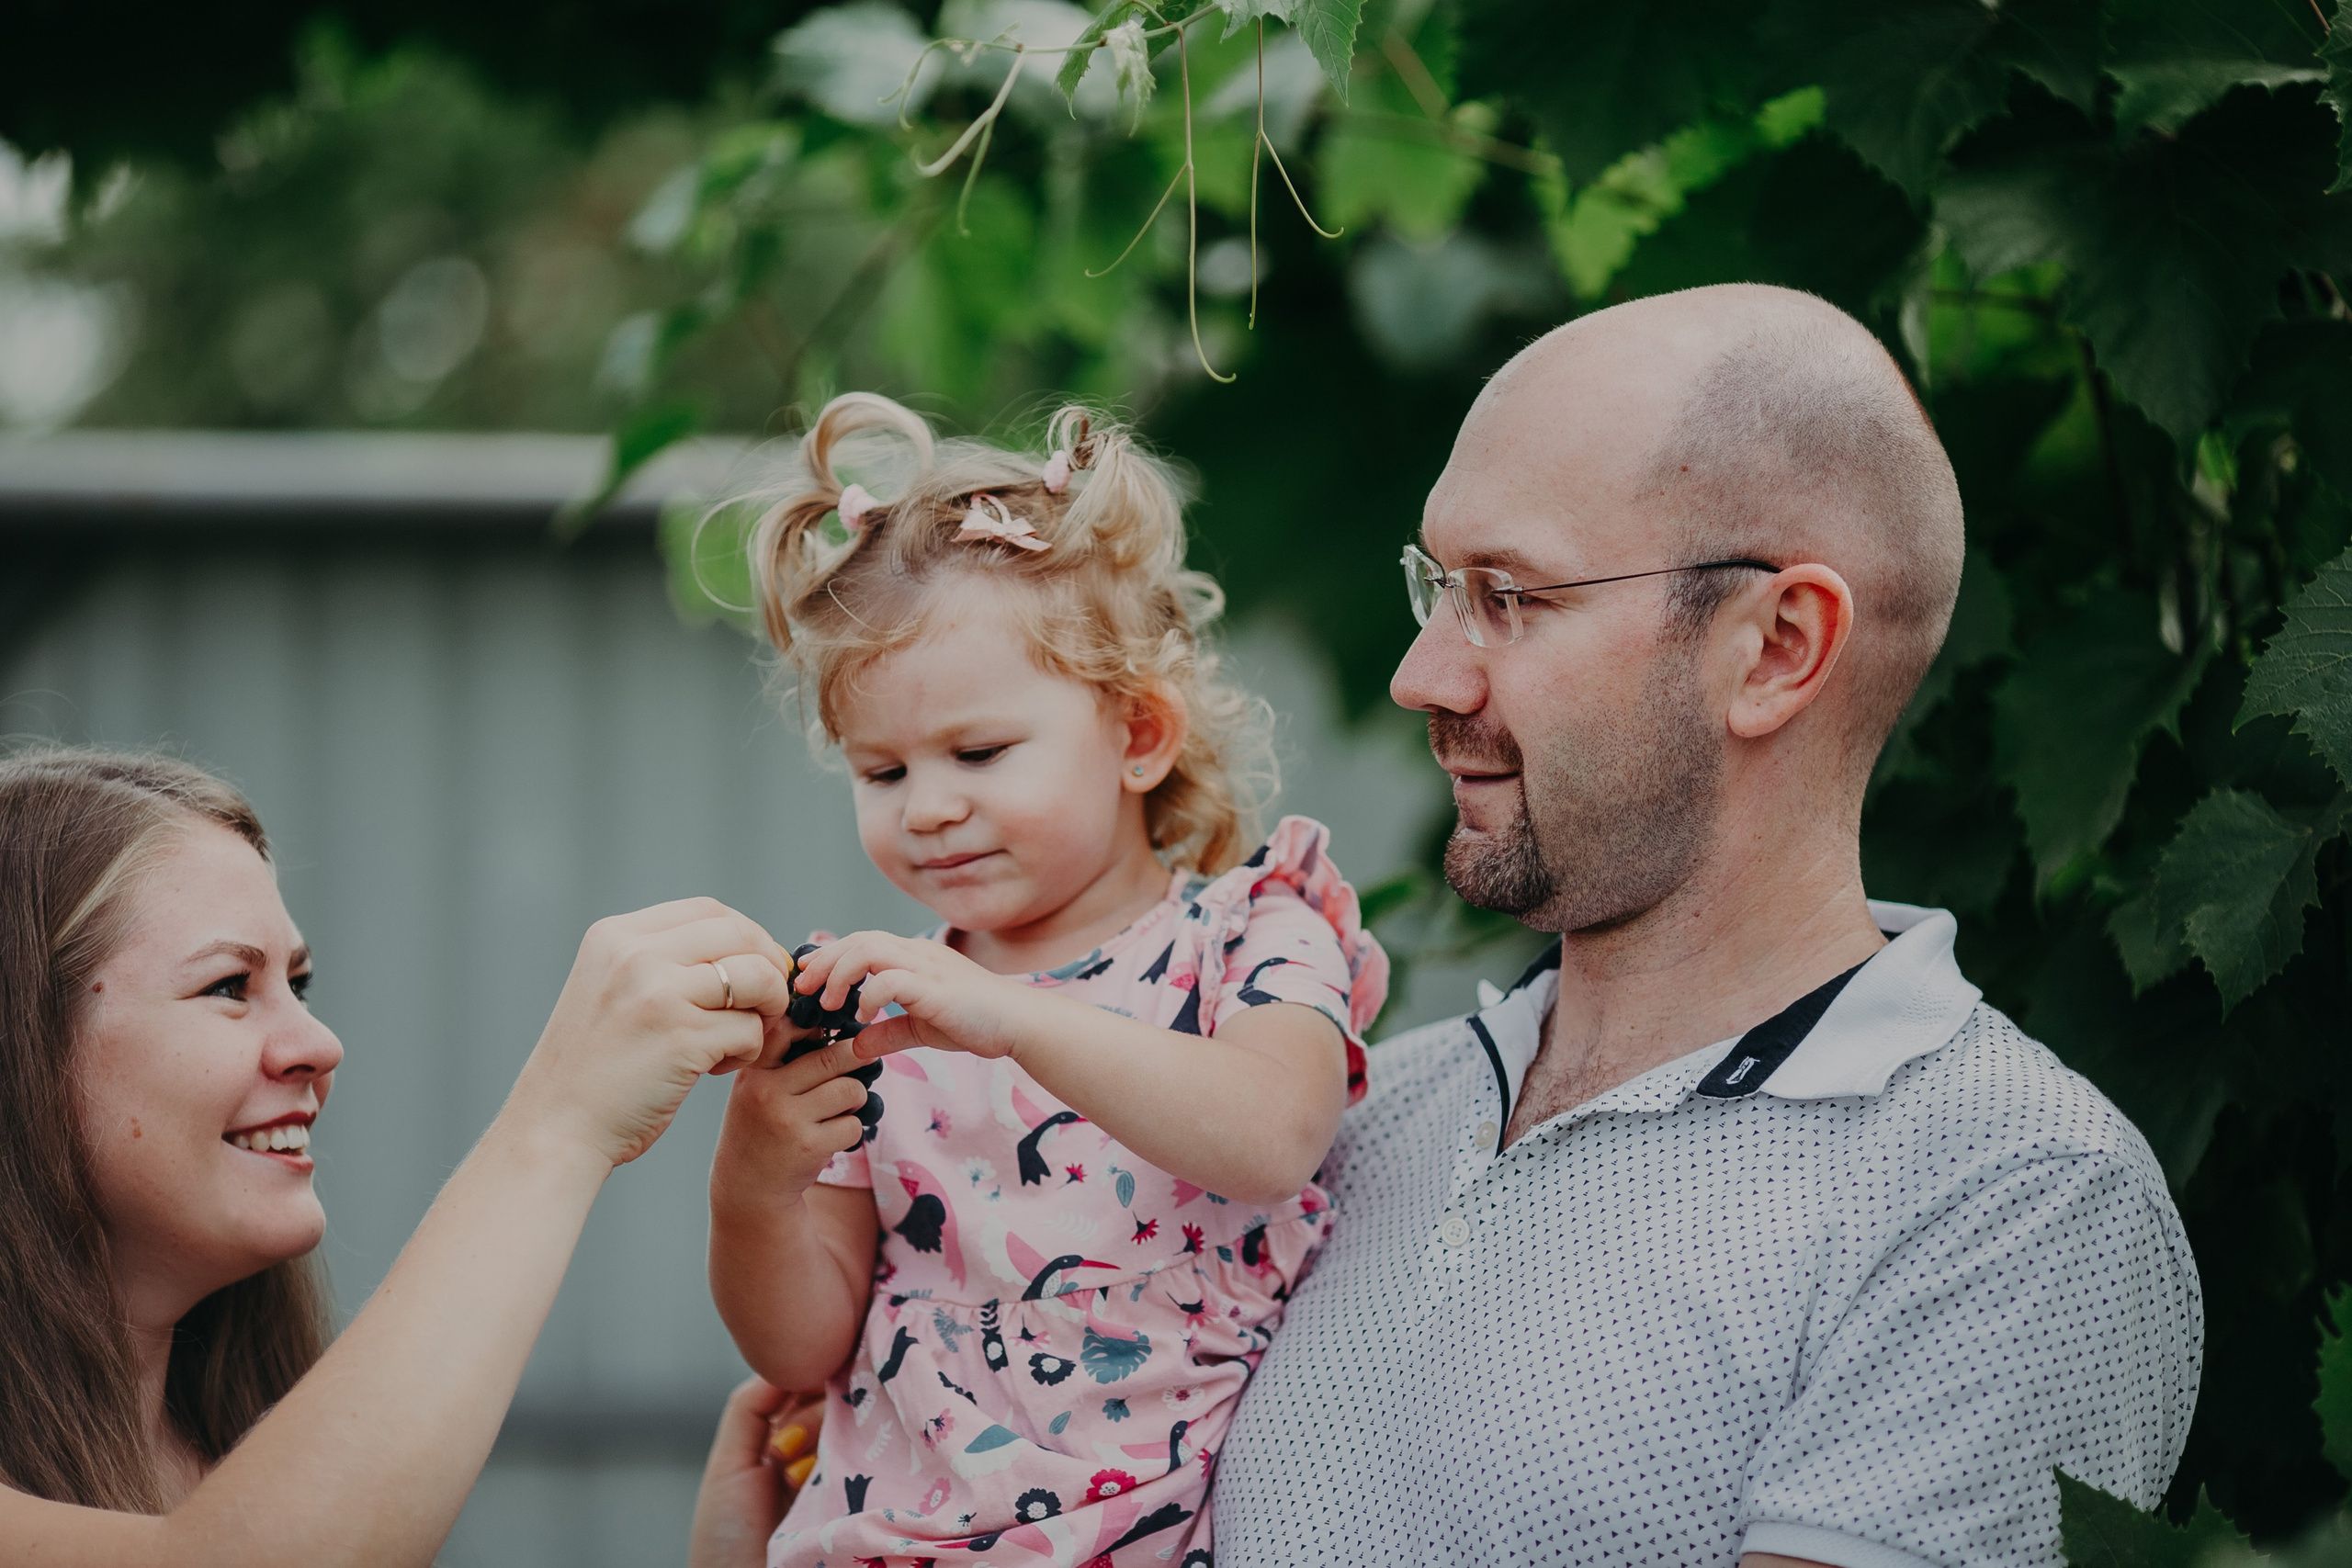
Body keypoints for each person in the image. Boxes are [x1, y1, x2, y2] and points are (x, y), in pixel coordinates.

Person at [1213, 285, 2202, 1566]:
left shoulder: (2005, 1192)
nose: (1426, 676)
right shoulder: (1347, 1122)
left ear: (1778, 647)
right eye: (1437, 588)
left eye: (1511, 596)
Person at [702, 394, 1389, 1566]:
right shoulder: (874, 1009)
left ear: (1136, 736)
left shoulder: (1254, 933)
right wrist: (754, 1181)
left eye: (978, 753)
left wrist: (1014, 1019)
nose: (928, 806)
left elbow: (1274, 1133)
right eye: (881, 770)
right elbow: (803, 1351)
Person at [0, 746, 831, 1563]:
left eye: (300, 983)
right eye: (227, 987)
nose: (318, 1043)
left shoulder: (228, 1447)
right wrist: (558, 1124)